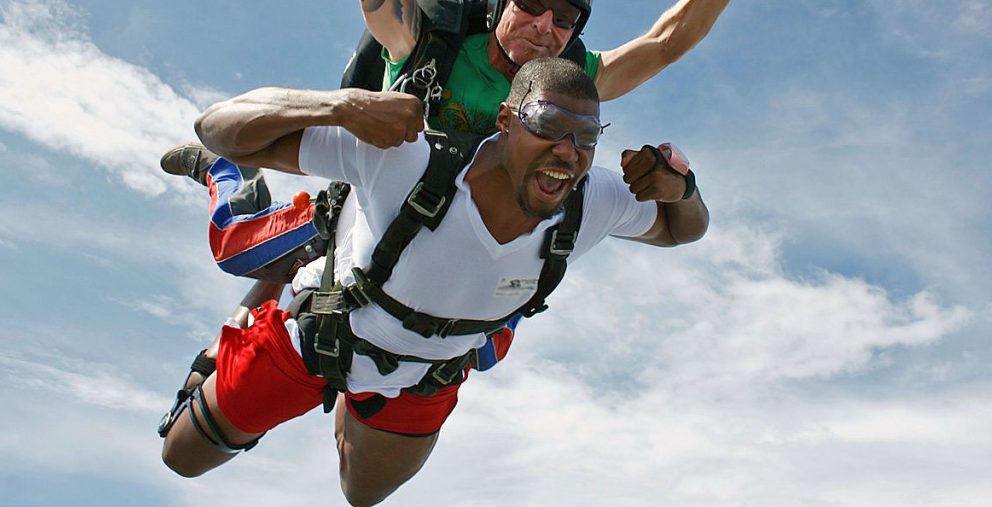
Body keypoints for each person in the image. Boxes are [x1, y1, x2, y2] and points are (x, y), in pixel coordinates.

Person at [160, 0, 804, 400]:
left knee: (477, 341)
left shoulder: (568, 81)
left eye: (567, 18)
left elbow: (663, 45)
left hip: (444, 249)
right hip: (369, 196)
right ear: (499, 4)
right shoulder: (429, 37)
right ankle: (222, 181)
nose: (545, 27)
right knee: (248, 253)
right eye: (529, 3)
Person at [160, 58, 710, 505]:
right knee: (182, 458)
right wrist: (344, 106)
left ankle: (358, 394)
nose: (567, 150)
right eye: (545, 123)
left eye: (586, 136)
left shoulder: (593, 199)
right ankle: (247, 233)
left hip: (424, 372)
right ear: (504, 120)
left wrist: (682, 190)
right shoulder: (405, 160)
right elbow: (219, 126)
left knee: (362, 494)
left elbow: (678, 231)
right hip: (319, 334)